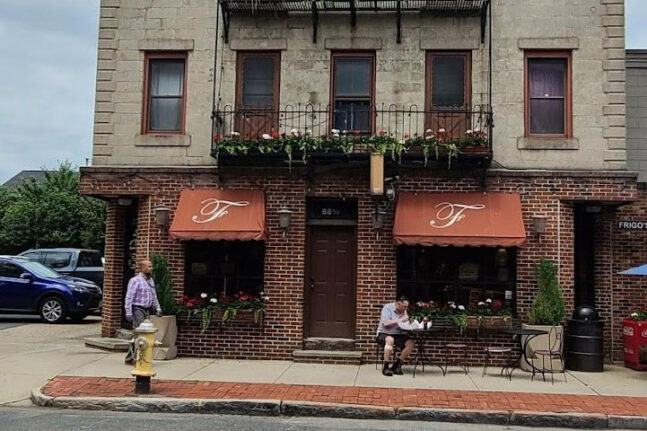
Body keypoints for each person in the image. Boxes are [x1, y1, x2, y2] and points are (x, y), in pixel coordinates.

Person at [124, 259, 162, 364]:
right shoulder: (135, 280)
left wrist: (157, 308)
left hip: (147, 309)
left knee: (140, 334)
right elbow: (129, 297)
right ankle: (136, 358)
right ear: (142, 268)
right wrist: (128, 312)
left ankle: (131, 357)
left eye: (151, 266)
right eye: (149, 266)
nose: (151, 268)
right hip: (137, 308)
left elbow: (154, 296)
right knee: (141, 333)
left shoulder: (150, 281)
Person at [376, 296, 415, 376]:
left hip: (399, 333)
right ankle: (386, 367)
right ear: (398, 304)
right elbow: (386, 324)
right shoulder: (387, 308)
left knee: (410, 343)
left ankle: (396, 365)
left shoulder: (404, 310)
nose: (405, 309)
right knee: (390, 340)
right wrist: (401, 320)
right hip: (384, 333)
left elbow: (405, 322)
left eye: (407, 307)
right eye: (404, 306)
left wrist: (411, 324)